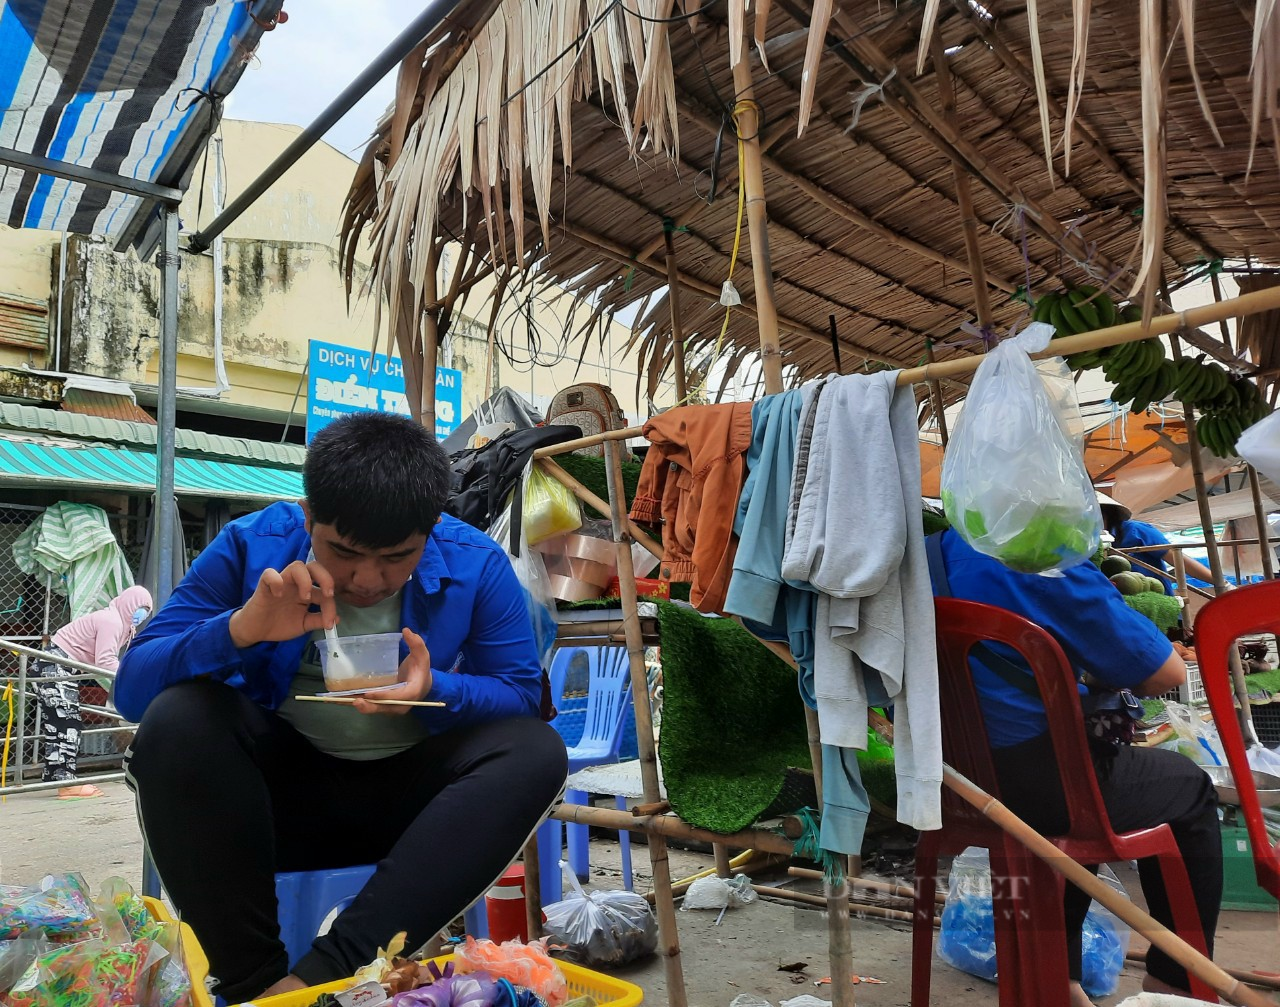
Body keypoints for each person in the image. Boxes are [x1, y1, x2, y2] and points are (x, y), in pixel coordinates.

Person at [115, 413, 568, 1004]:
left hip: (413, 818)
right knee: (180, 718)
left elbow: (522, 694)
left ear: (430, 530)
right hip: (270, 810)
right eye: (344, 551)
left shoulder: (474, 563)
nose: (367, 579)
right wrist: (239, 630)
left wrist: (437, 692)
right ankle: (260, 985)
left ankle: (323, 976)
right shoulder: (253, 545)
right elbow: (132, 691)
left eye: (397, 557)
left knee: (536, 751)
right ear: (308, 517)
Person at [929, 526, 1221, 1007]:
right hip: (1036, 786)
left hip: (947, 783)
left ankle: (1059, 983)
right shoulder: (1041, 557)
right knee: (1188, 788)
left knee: (1079, 786)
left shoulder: (924, 554)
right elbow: (1165, 674)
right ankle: (1176, 983)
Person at [37, 585, 152, 799]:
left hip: (58, 666)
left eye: (147, 609)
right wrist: (132, 676)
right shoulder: (112, 621)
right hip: (55, 664)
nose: (142, 613)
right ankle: (66, 784)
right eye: (140, 607)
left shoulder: (122, 626)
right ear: (129, 603)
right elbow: (105, 660)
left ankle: (60, 780)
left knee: (63, 723)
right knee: (66, 724)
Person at [1098, 492, 1215, 592]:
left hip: (1157, 601)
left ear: (1106, 514)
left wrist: (1221, 584)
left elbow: (1179, 560)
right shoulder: (1087, 544)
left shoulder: (1136, 530)